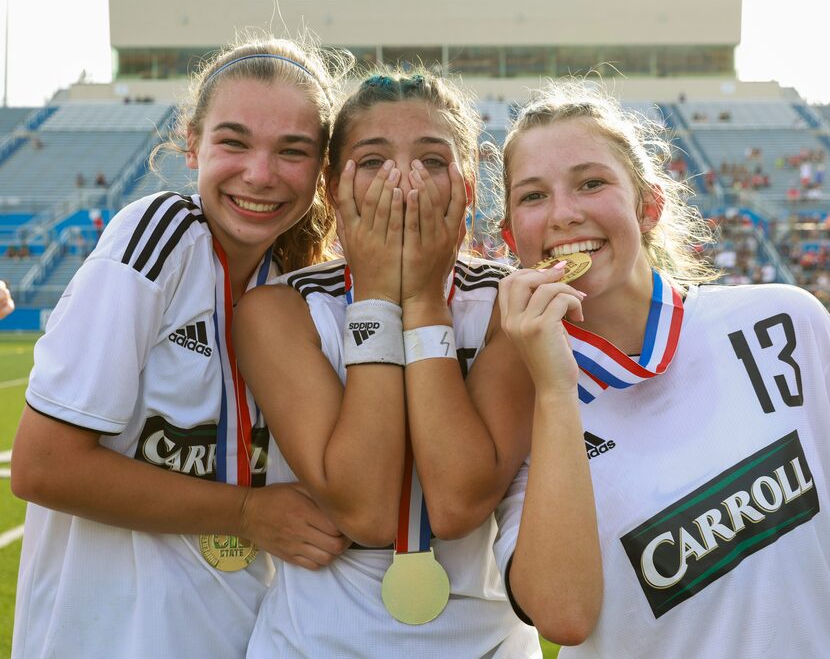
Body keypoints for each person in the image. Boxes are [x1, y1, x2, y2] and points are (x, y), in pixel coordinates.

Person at [234, 70, 597, 657]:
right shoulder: (277, 311)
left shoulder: (513, 303)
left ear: (470, 183)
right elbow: (367, 510)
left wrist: (425, 300)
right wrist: (377, 294)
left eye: (432, 160)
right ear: (332, 187)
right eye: (373, 161)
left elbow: (457, 504)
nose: (403, 183)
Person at [10, 37, 352, 658]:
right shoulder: (159, 236)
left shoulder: (300, 290)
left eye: (292, 151)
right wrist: (247, 513)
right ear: (191, 142)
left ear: (321, 171)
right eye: (234, 141)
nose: (260, 173)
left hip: (244, 636)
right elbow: (43, 466)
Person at [494, 80, 830, 656]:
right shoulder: (521, 416)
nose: (564, 214)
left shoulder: (782, 323)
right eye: (532, 197)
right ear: (509, 240)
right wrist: (554, 391)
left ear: (649, 206)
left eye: (591, 183)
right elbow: (562, 617)